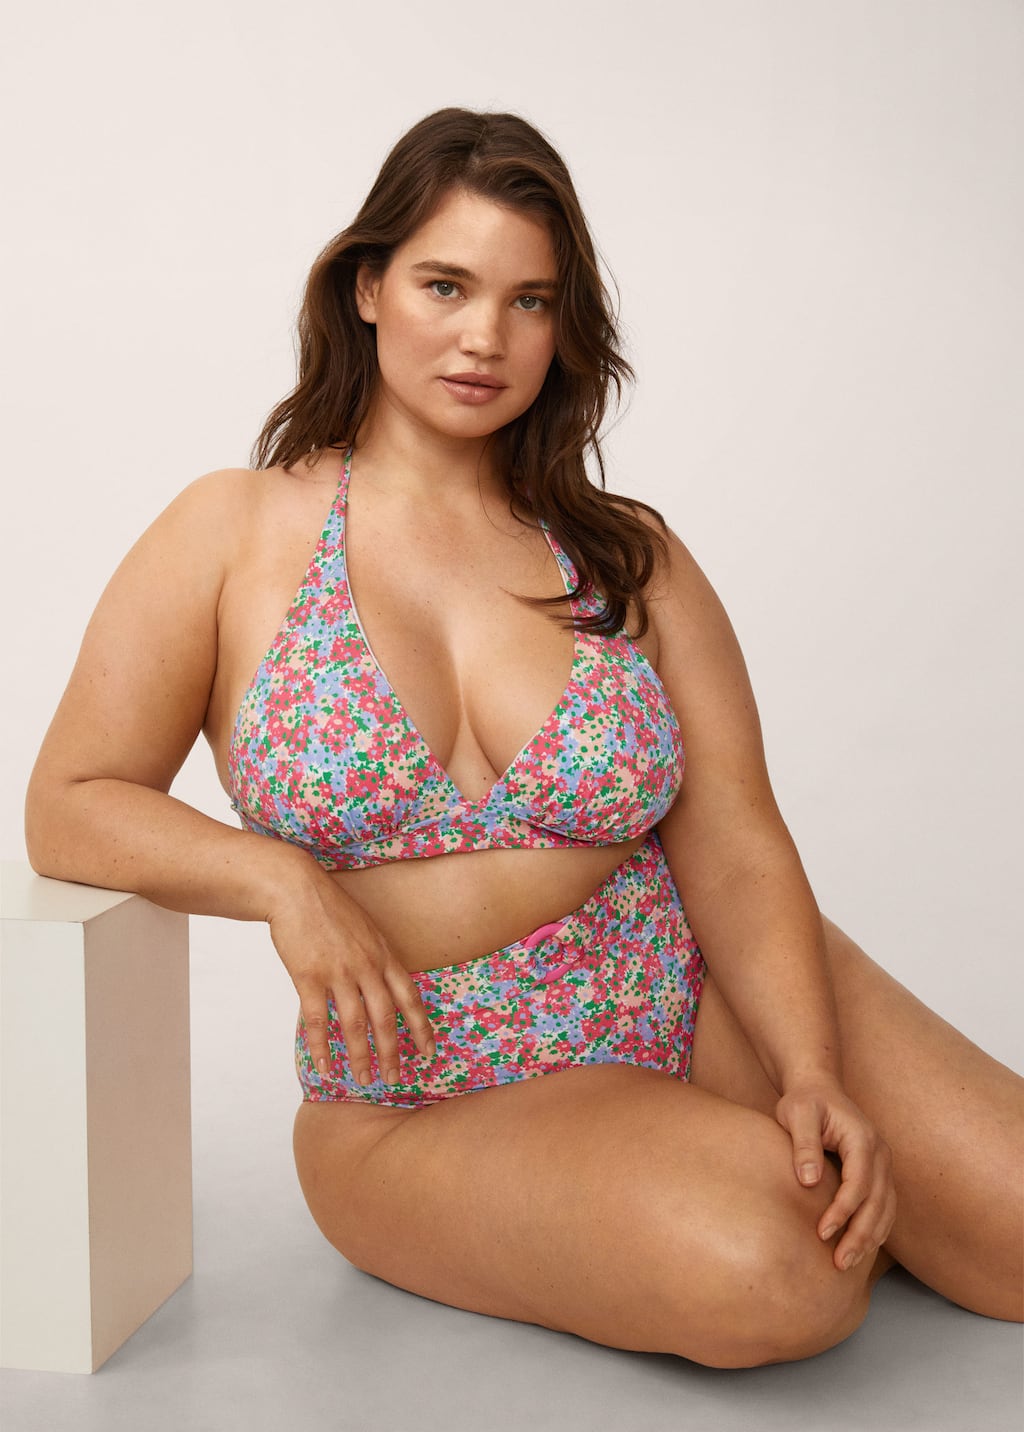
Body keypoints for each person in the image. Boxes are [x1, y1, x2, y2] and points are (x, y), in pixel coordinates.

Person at [25, 107, 1022, 1368]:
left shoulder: (627, 555)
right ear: (368, 287)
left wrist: (810, 1068)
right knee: (784, 1272)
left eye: (530, 301)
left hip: (700, 986)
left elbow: (734, 838)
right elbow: (71, 798)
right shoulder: (230, 532)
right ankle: (716, 1187)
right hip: (426, 1094)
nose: (485, 338)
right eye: (445, 285)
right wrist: (281, 881)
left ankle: (758, 1154)